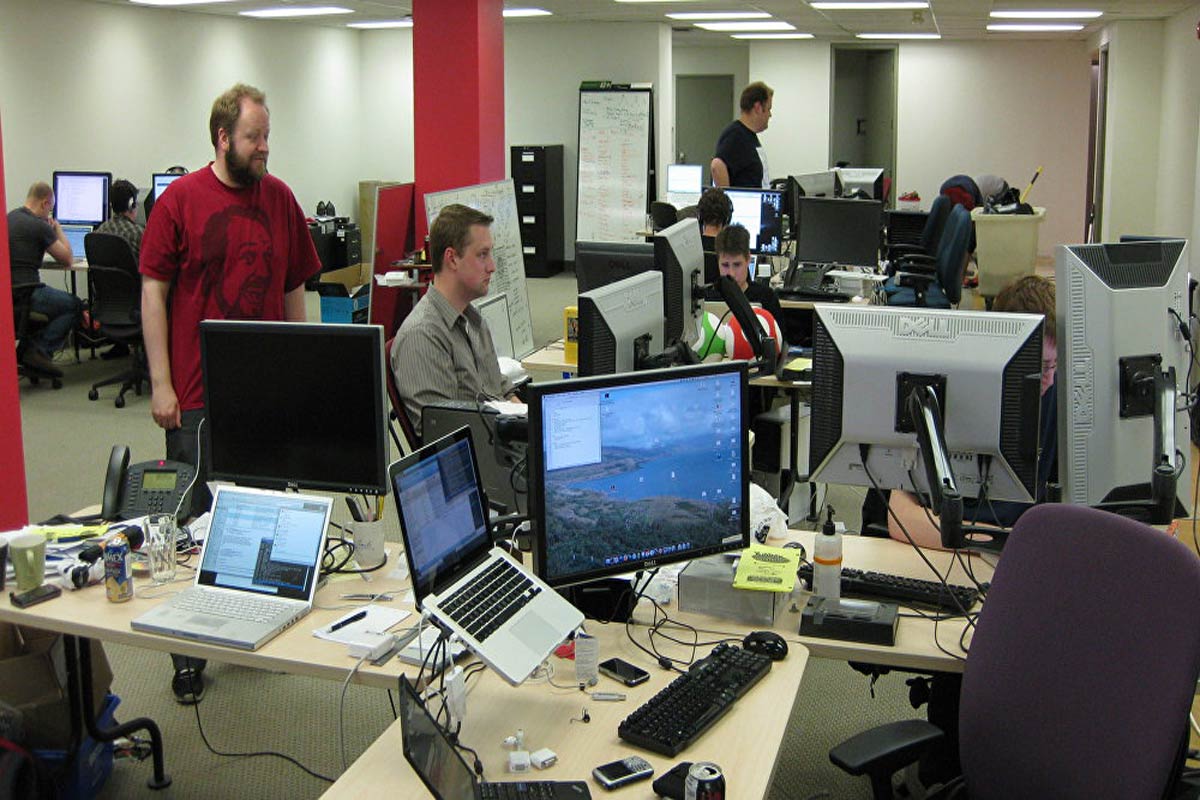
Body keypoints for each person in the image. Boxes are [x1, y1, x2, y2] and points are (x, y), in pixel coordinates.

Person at [139, 82, 321, 705]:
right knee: (190, 526)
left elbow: (294, 286)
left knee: (266, 516)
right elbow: (153, 293)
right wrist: (161, 383)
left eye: (267, 135)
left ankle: (257, 624)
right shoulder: (180, 202)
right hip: (196, 392)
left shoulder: (281, 198)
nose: (264, 146)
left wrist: (302, 368)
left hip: (266, 392)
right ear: (223, 138)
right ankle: (187, 655)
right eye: (253, 137)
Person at [884, 274, 1058, 548]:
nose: (1049, 379)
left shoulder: (1053, 398)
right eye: (1041, 366)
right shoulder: (944, 390)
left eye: (1055, 365)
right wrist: (996, 544)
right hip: (947, 548)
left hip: (1008, 552)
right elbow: (901, 514)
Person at [389, 204, 517, 439]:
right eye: (482, 255)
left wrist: (532, 426)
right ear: (452, 259)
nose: (492, 266)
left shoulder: (473, 321)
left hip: (504, 439)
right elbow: (445, 438)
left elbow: (501, 390)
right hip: (483, 452)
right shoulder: (422, 336)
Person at [7, 182, 82, 377]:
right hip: (29, 293)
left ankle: (27, 350)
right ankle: (39, 351)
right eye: (51, 208)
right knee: (74, 305)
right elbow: (67, 258)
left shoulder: (9, 218)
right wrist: (57, 229)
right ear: (45, 203)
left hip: (9, 296)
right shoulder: (39, 225)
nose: (49, 213)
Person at [94, 179, 145, 359]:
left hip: (108, 308)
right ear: (132, 205)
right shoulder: (138, 234)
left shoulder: (98, 233)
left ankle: (121, 346)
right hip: (137, 307)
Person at [712, 223, 786, 343]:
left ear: (748, 260)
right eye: (725, 265)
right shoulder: (708, 297)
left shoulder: (766, 297)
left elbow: (780, 343)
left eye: (737, 265)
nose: (731, 273)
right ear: (717, 262)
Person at [711, 81, 773, 189]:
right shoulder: (735, 136)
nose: (770, 115)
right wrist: (726, 197)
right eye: (768, 109)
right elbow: (716, 166)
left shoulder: (749, 135)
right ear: (758, 108)